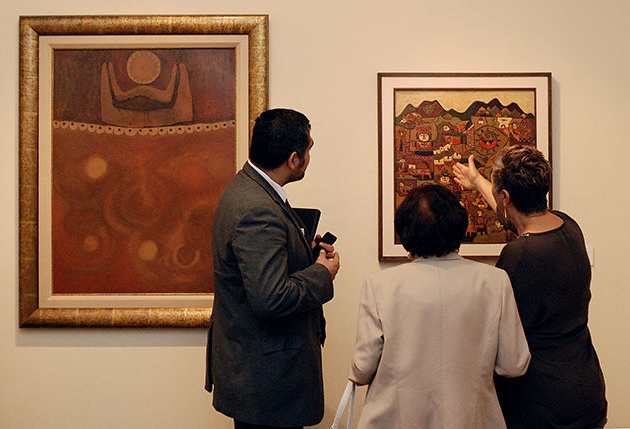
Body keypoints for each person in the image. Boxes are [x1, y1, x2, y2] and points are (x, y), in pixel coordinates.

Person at [349, 184, 530, 429]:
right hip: (472, 421)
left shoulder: (380, 285)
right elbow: (514, 364)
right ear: (459, 225)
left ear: (405, 231)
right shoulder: (494, 282)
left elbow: (362, 369)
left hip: (395, 421)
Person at [453, 145, 607, 429]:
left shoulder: (520, 256)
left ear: (506, 197)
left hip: (542, 407)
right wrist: (477, 182)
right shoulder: (568, 226)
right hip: (585, 392)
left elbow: (499, 334)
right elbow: (514, 215)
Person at [205, 108, 340, 429]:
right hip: (267, 382)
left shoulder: (247, 189)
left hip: (257, 373)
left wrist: (301, 254)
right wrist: (322, 272)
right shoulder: (257, 209)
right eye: (308, 149)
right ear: (294, 159)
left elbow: (257, 268)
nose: (309, 156)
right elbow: (270, 298)